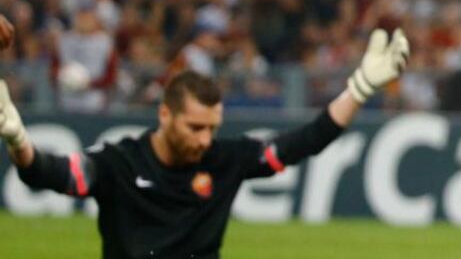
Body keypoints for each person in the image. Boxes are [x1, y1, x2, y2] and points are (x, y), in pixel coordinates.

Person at [0, 23, 409, 259]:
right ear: (165, 114)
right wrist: (19, 139)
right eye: (195, 127)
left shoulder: (224, 160)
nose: (204, 139)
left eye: (212, 127)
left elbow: (304, 141)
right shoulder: (120, 163)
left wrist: (359, 88)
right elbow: (49, 174)